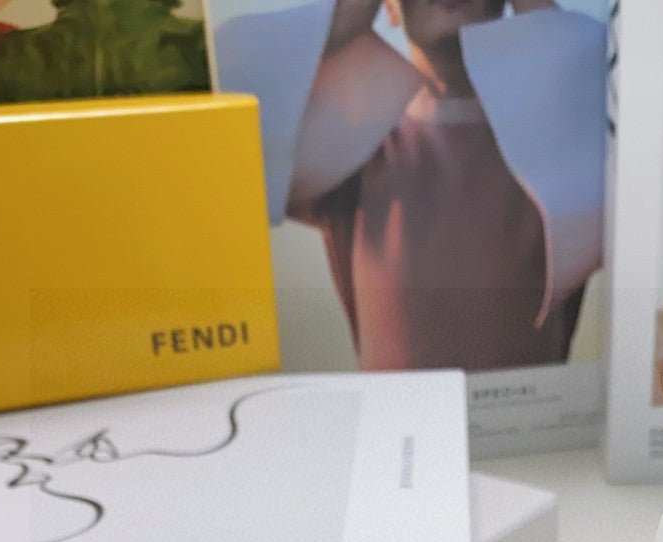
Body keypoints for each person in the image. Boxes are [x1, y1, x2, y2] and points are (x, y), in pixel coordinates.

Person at [213, 0, 606, 372]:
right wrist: (344, 19)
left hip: (534, 421)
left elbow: (604, 71)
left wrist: (535, 10)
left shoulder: (565, 141)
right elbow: (222, 102)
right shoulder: (354, 144)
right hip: (397, 419)